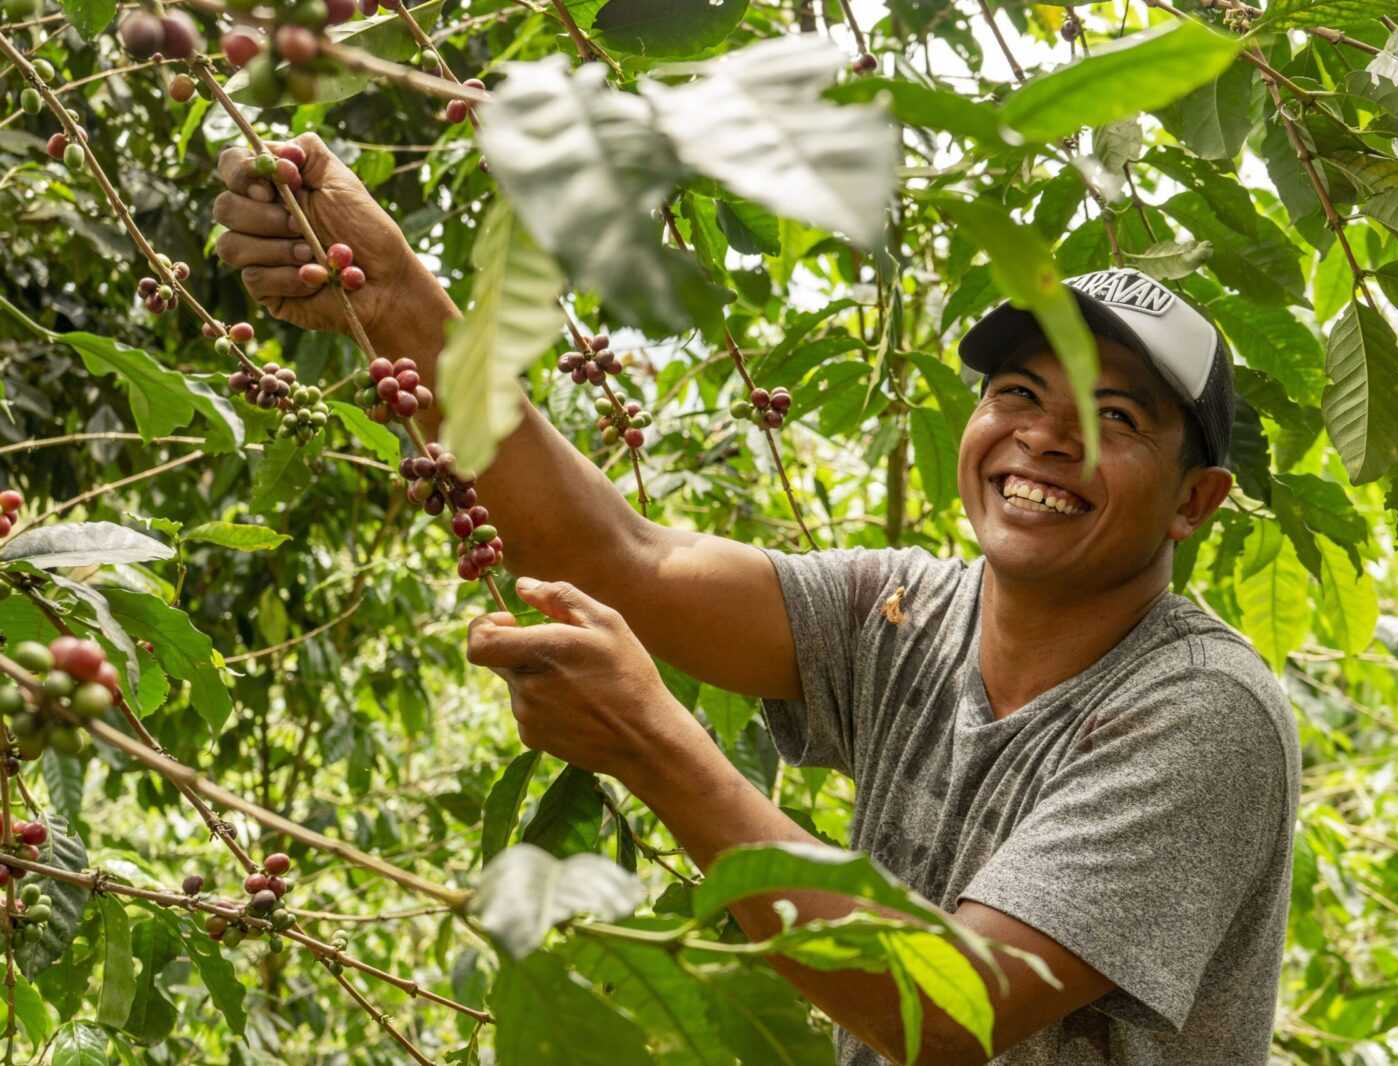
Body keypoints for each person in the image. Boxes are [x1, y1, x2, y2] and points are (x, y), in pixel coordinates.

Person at [212, 134, 1300, 1066]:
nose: (1046, 437)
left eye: (1114, 419)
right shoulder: (906, 612)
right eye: (1019, 392)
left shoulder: (1202, 713)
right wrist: (392, 289)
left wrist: (652, 742)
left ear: (1193, 501)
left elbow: (943, 1003)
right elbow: (621, 557)